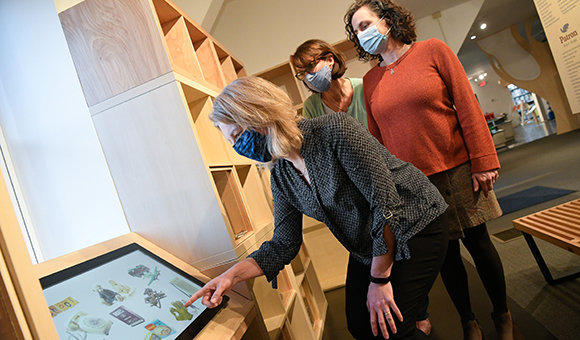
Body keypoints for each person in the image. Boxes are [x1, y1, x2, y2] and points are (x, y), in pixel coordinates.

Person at [185, 76, 449, 340]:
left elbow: (386, 204)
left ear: (260, 114)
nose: (238, 148)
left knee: (391, 329)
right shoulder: (281, 174)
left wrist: (379, 281)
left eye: (239, 135)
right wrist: (230, 277)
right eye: (232, 142)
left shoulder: (335, 130)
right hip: (371, 242)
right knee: (360, 325)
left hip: (416, 224)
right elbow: (284, 244)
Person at [344, 1, 522, 340]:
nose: (362, 34)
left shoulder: (432, 51)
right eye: (357, 30)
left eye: (365, 24)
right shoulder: (369, 80)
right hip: (413, 186)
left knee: (480, 244)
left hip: (456, 169)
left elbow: (467, 104)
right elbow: (377, 139)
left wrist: (484, 160)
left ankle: (503, 316)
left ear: (387, 20)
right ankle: (468, 321)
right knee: (445, 257)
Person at [290, 39, 367, 127]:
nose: (308, 76)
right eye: (302, 73)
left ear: (330, 60)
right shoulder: (311, 107)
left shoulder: (363, 88)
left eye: (311, 66)